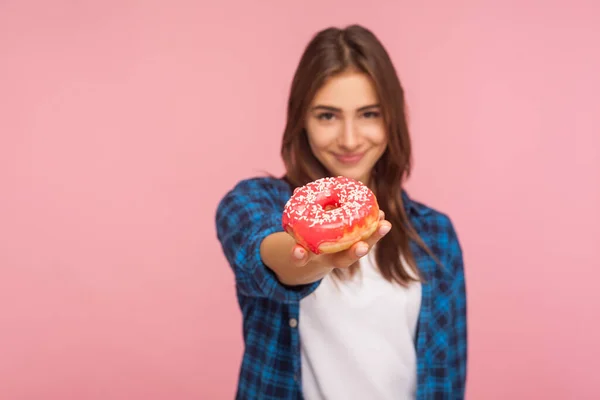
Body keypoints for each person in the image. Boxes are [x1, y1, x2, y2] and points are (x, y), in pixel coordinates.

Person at [215, 24, 467, 400]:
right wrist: (315, 261)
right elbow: (266, 256)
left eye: (368, 114)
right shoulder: (254, 202)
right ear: (302, 120)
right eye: (327, 116)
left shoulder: (435, 235)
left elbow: (445, 378)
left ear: (392, 118)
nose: (349, 139)